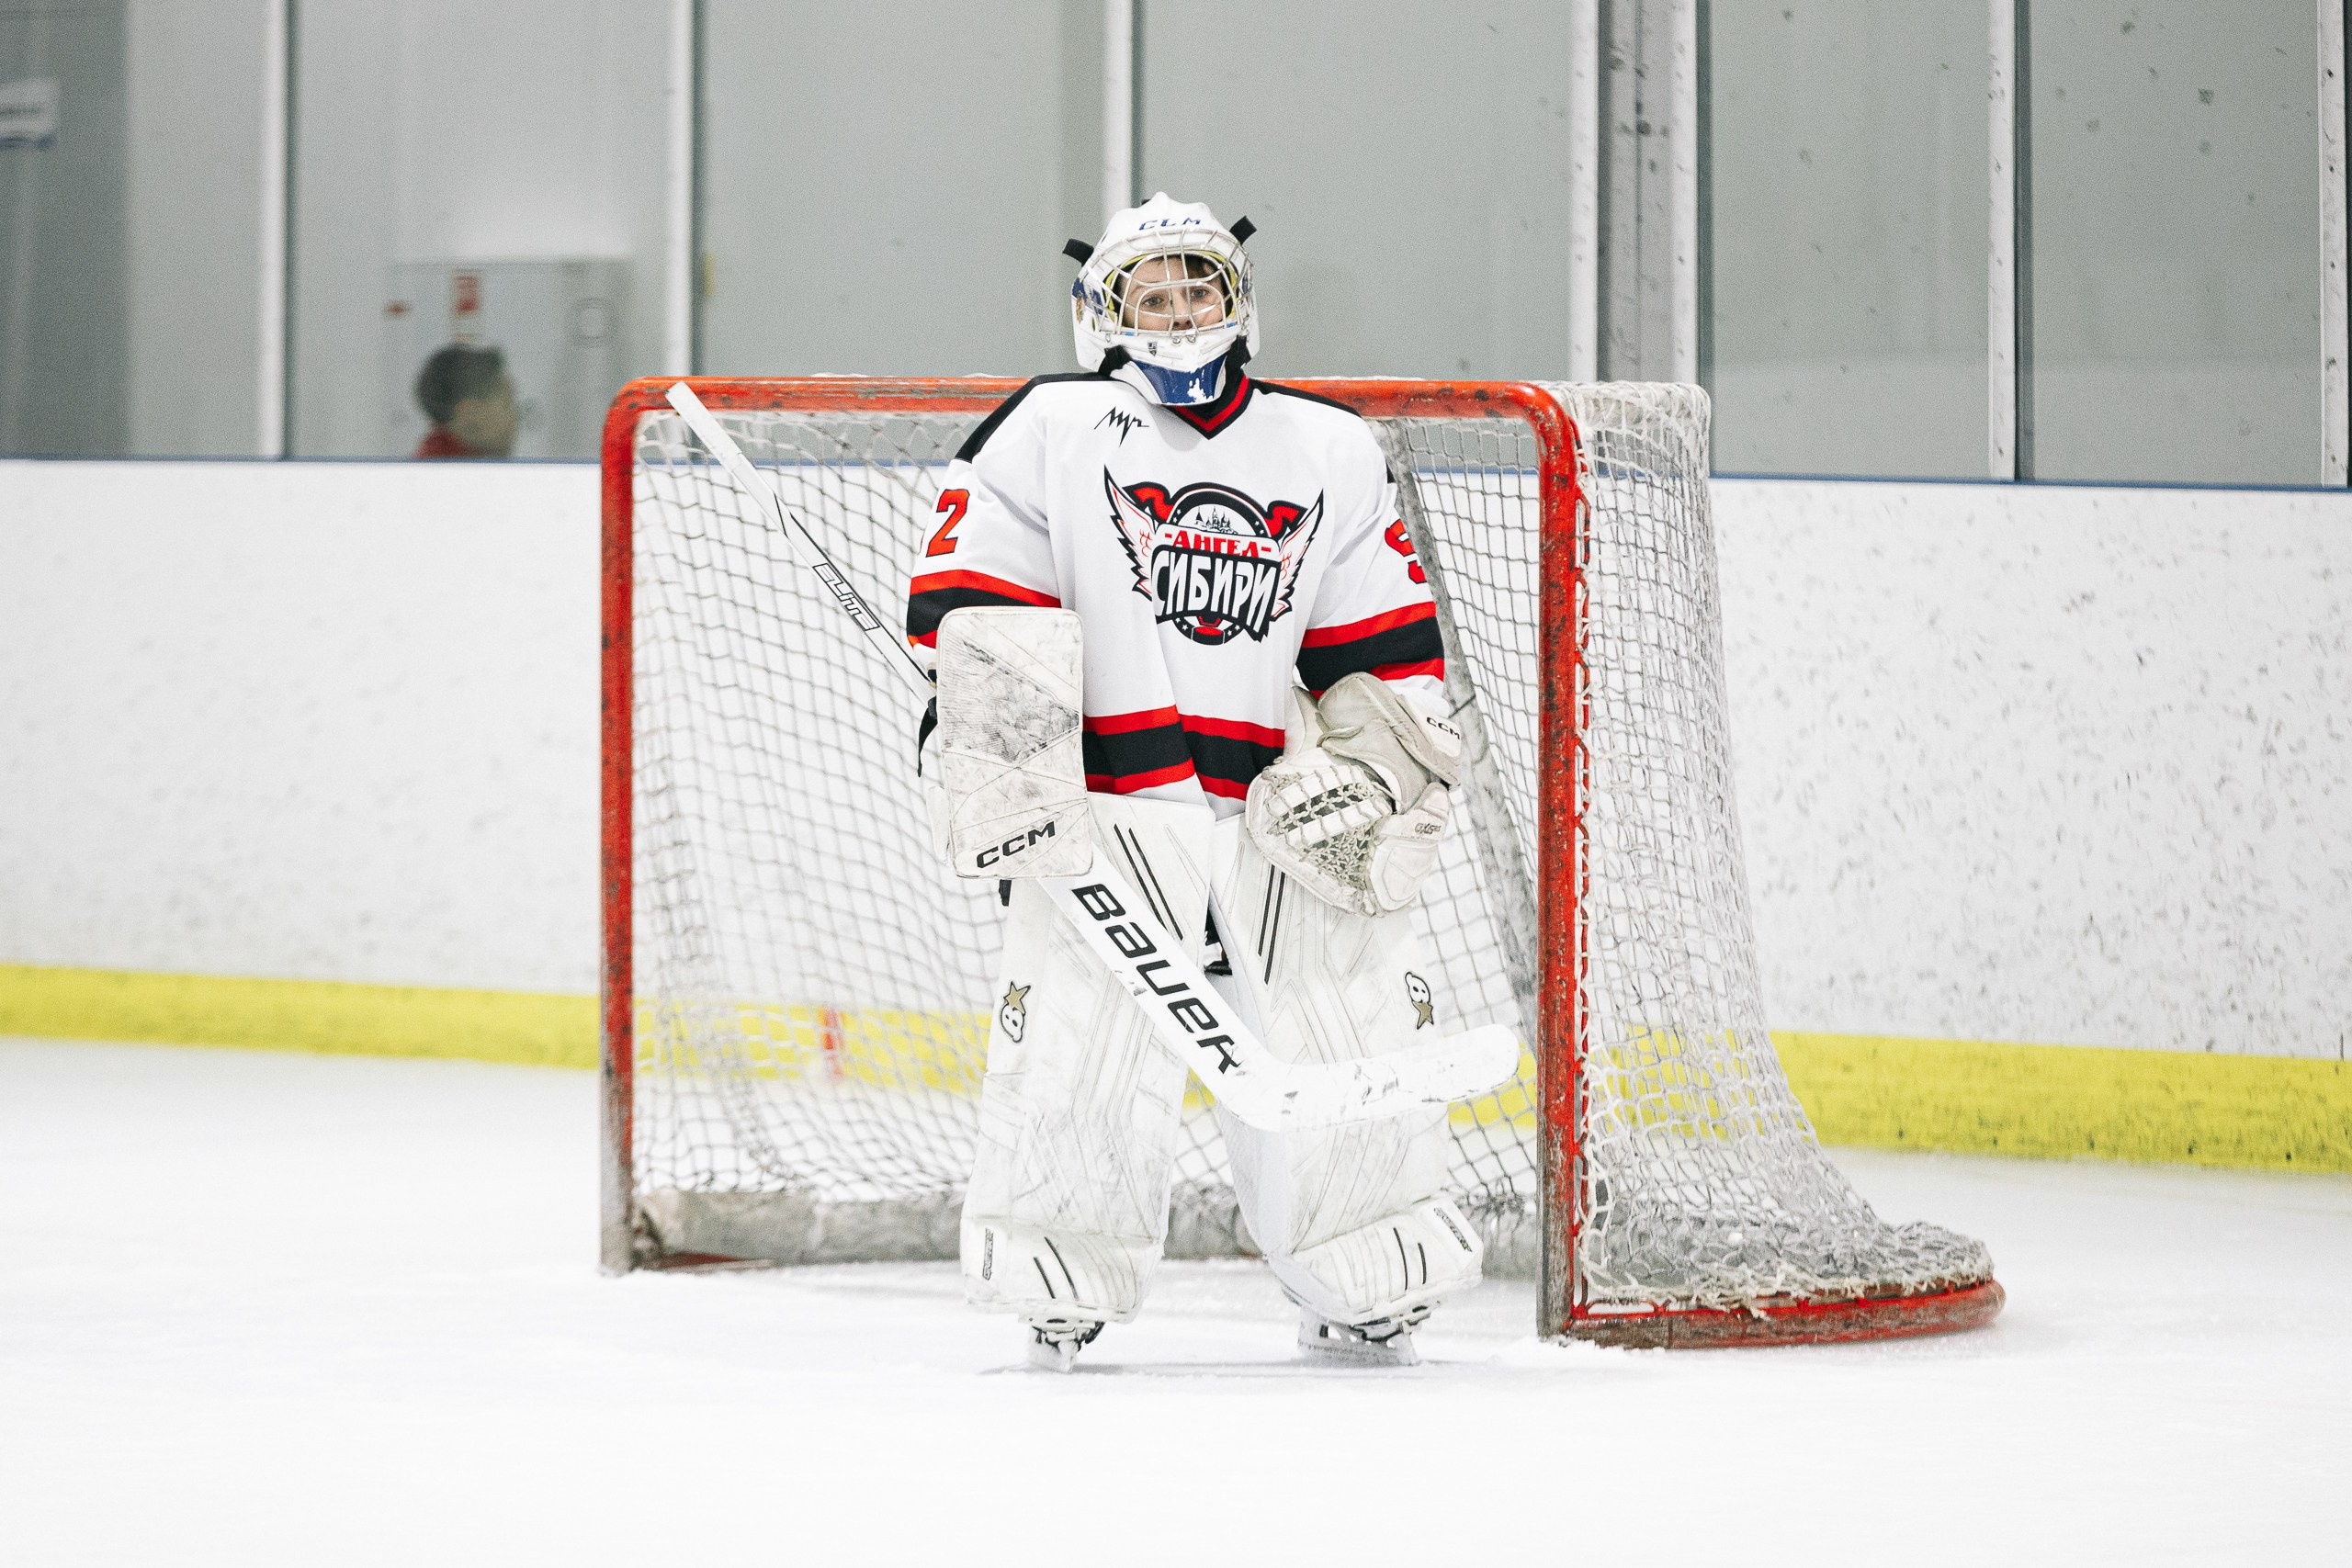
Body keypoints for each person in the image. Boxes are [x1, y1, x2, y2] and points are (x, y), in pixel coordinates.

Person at [906, 194, 1484, 1371]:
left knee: (1337, 1019)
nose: (1180, 313)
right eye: (1150, 295)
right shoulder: (1051, 428)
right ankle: (1058, 1269)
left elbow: (1379, 645)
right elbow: (972, 602)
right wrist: (998, 753)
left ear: (1240, 301)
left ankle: (1363, 1265)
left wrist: (1371, 778)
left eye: (1199, 288)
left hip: (1272, 804)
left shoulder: (1327, 446)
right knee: (1084, 1035)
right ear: (1101, 316)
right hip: (1106, 803)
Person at [412, 344, 517, 458]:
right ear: (471, 413)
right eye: (507, 404)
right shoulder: (450, 471)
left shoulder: (431, 461)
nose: (515, 418)